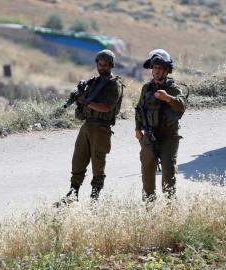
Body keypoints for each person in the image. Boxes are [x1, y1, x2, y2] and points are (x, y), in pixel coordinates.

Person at [57, 50, 124, 205]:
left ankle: (94, 198)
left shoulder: (114, 84)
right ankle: (73, 193)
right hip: (87, 125)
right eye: (99, 64)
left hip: (101, 128)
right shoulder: (93, 82)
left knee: (98, 164)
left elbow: (106, 107)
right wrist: (79, 99)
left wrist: (86, 101)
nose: (102, 68)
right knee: (78, 161)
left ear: (111, 65)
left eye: (105, 65)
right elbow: (84, 103)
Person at [135, 49, 187, 201]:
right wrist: (138, 129)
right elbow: (139, 109)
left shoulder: (173, 88)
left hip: (168, 137)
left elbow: (182, 105)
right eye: (154, 68)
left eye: (160, 68)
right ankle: (149, 210)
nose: (156, 71)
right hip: (149, 136)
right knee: (147, 176)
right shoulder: (146, 88)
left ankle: (169, 211)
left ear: (166, 71)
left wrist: (167, 98)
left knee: (168, 177)